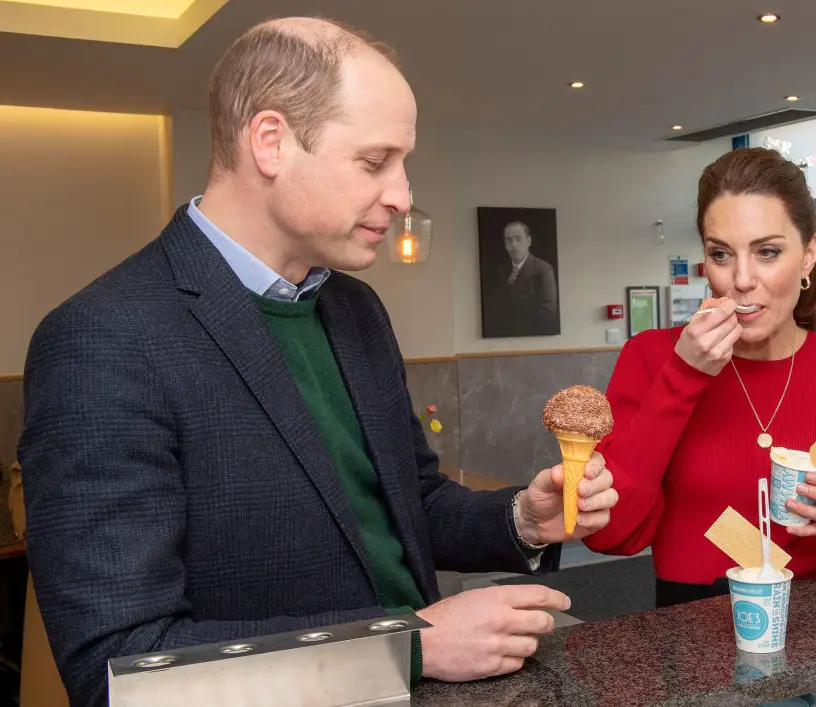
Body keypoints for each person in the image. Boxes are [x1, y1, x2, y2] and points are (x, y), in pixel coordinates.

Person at [17, 18, 619, 707]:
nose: (402, 196)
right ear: (270, 142)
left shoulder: (356, 309)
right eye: (374, 161)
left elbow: (412, 503)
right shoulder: (101, 340)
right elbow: (120, 667)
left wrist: (519, 520)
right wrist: (410, 645)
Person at [582, 147, 816, 607]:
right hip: (683, 629)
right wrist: (683, 375)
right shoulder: (652, 357)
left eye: (767, 252)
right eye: (721, 254)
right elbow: (608, 534)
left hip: (814, 627)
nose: (742, 279)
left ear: (808, 254)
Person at [488, 221, 558, 336]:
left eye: (518, 239)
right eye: (509, 240)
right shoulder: (503, 270)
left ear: (528, 241)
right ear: (505, 245)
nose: (514, 244)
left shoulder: (543, 269)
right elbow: (496, 308)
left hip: (533, 335)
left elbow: (548, 310)